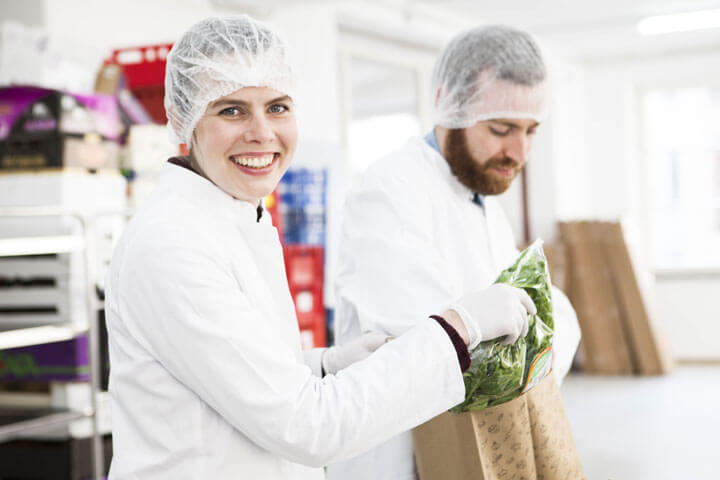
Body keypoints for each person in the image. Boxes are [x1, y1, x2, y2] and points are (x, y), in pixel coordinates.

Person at [104, 16, 539, 479]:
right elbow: (308, 427)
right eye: (231, 110)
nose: (262, 133)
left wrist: (326, 366)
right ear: (184, 121)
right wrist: (459, 327)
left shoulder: (235, 214)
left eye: (277, 107)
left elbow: (246, 376)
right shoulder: (173, 245)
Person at [328, 25, 583, 480]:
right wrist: (543, 327)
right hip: (401, 457)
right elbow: (439, 351)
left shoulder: (482, 200)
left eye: (530, 130)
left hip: (472, 448)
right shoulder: (390, 191)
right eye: (502, 128)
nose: (519, 152)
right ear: (449, 104)